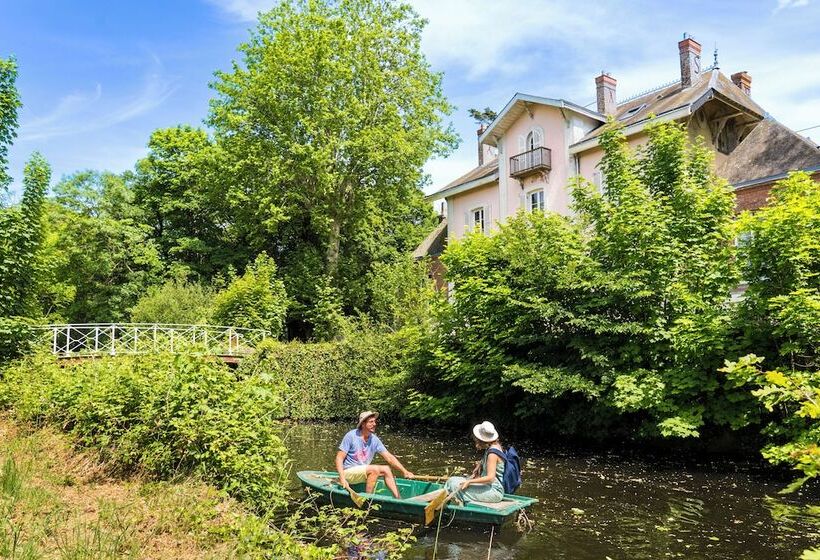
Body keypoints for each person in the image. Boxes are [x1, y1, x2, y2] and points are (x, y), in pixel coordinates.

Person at [336, 411, 414, 499]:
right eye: (371, 422)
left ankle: (399, 499)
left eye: (375, 421)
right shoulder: (351, 436)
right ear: (363, 424)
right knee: (374, 469)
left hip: (363, 472)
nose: (374, 424)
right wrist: (342, 478)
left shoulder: (374, 439)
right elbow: (339, 458)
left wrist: (404, 471)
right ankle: (368, 501)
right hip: (348, 472)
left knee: (386, 469)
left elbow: (389, 457)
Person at [444, 421, 505, 504]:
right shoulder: (494, 446)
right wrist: (480, 465)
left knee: (455, 486)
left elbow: (491, 478)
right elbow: (491, 463)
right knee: (451, 480)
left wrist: (470, 481)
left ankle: (457, 504)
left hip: (493, 491)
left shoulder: (492, 454)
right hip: (488, 487)